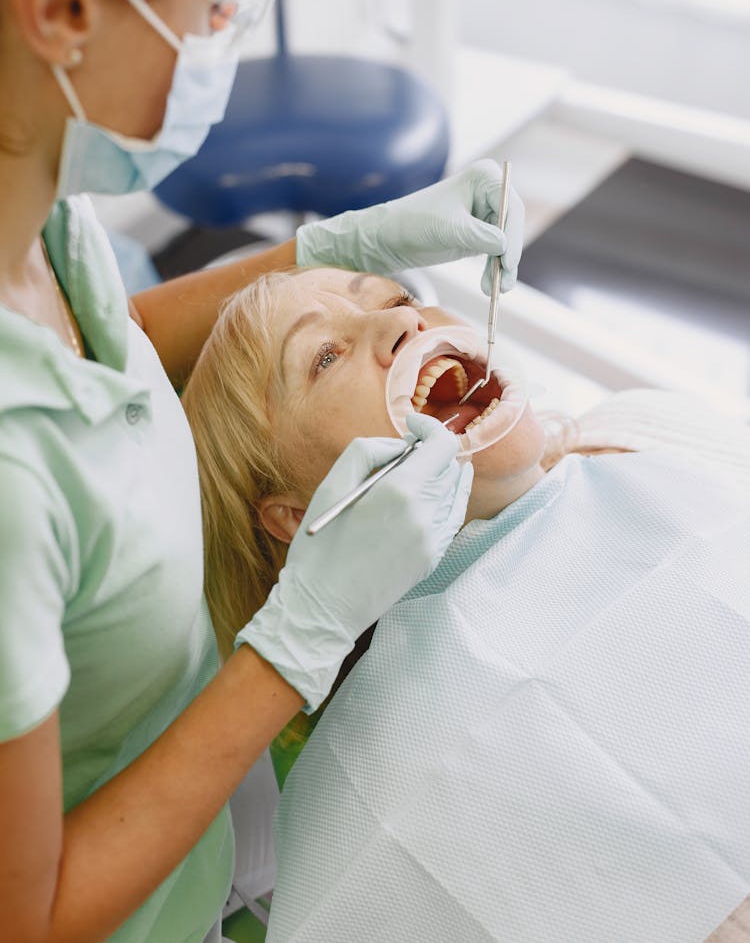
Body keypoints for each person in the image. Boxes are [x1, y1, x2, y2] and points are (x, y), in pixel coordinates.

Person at [0, 0, 526, 940]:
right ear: (65, 5)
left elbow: (99, 338)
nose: (393, 325)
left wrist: (341, 252)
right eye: (221, 8)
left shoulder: (34, 200)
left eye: (397, 309)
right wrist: (297, 644)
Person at [183, 265, 750, 943]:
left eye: (397, 296)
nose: (403, 323)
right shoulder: (365, 804)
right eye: (325, 358)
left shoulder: (654, 439)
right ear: (297, 512)